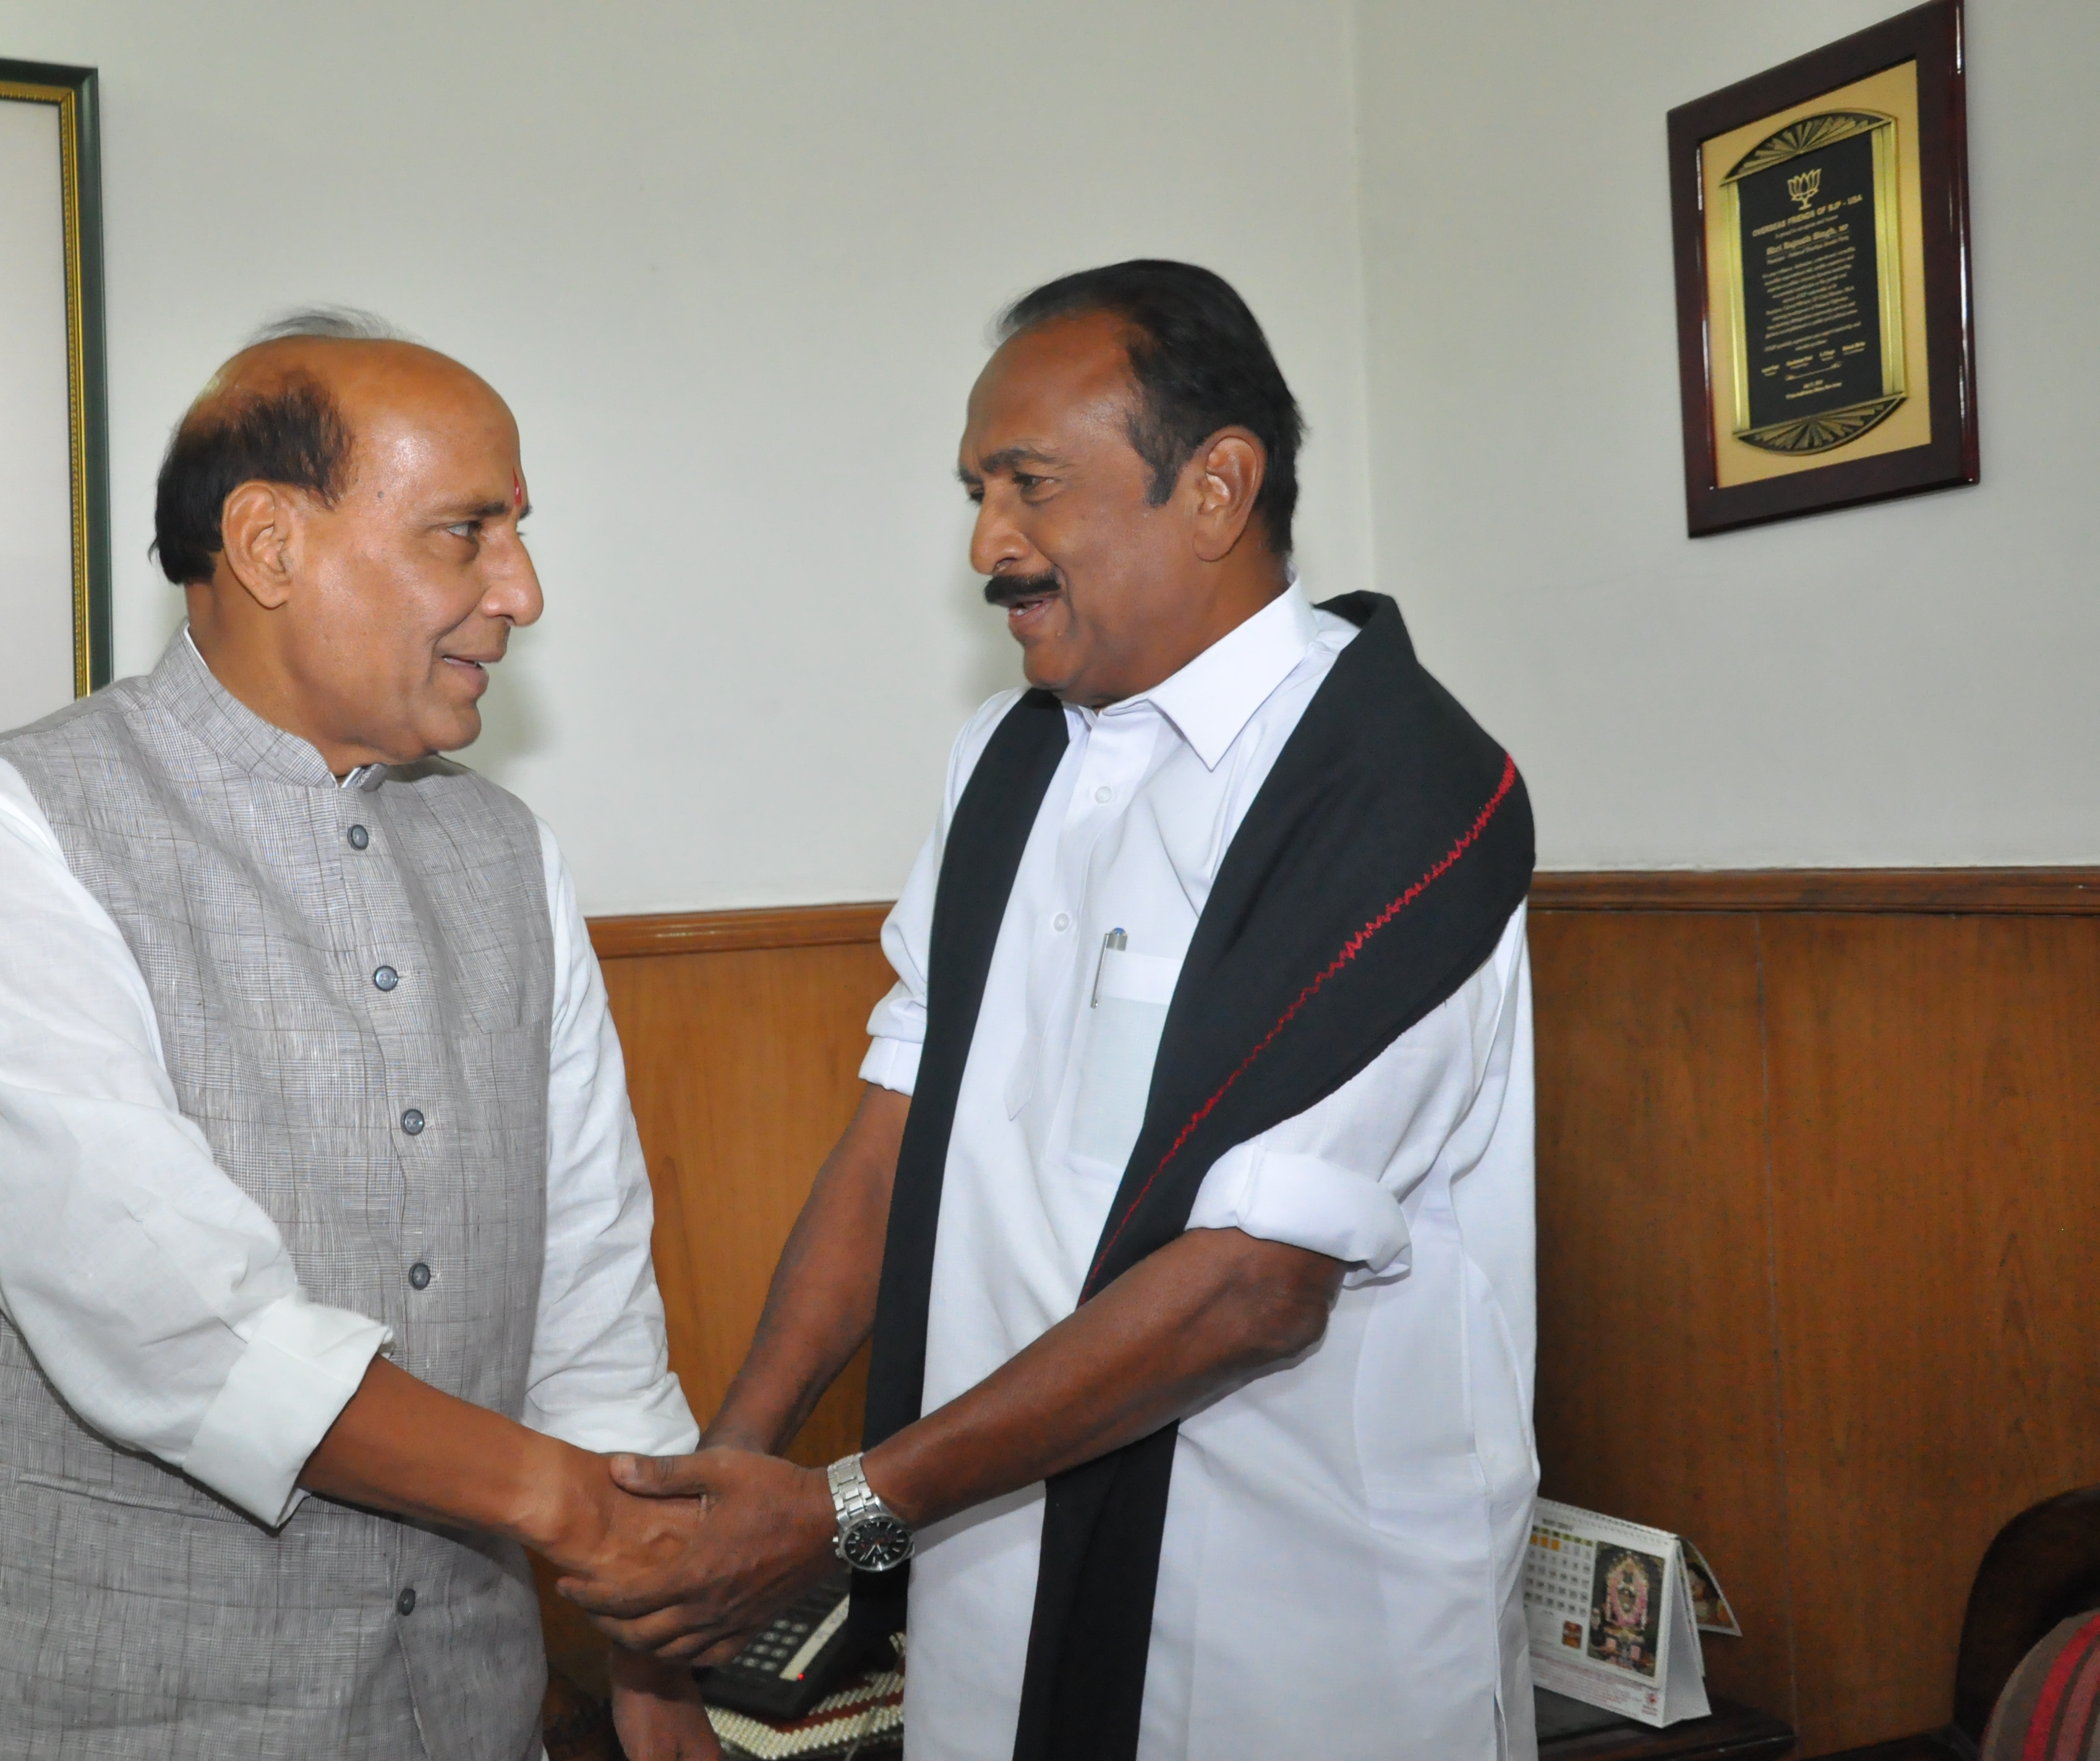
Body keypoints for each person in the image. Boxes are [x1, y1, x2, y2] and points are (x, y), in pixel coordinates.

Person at [568, 262, 1540, 1760]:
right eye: (975, 489)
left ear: (1216, 485)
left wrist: (838, 1510)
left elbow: (1249, 1283)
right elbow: (899, 1134)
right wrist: (730, 1459)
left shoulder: (1394, 784)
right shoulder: (1010, 760)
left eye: (1029, 485)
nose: (986, 543)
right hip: (986, 1557)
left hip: (1291, 1620)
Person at [0, 312, 722, 1760]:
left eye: (519, 532)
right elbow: (178, 1327)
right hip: (87, 1716)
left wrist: (654, 1647)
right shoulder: (11, 823)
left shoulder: (507, 853)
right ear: (267, 544)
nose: (524, 589)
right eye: (464, 532)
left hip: (456, 1711)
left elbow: (589, 1290)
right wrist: (573, 1507)